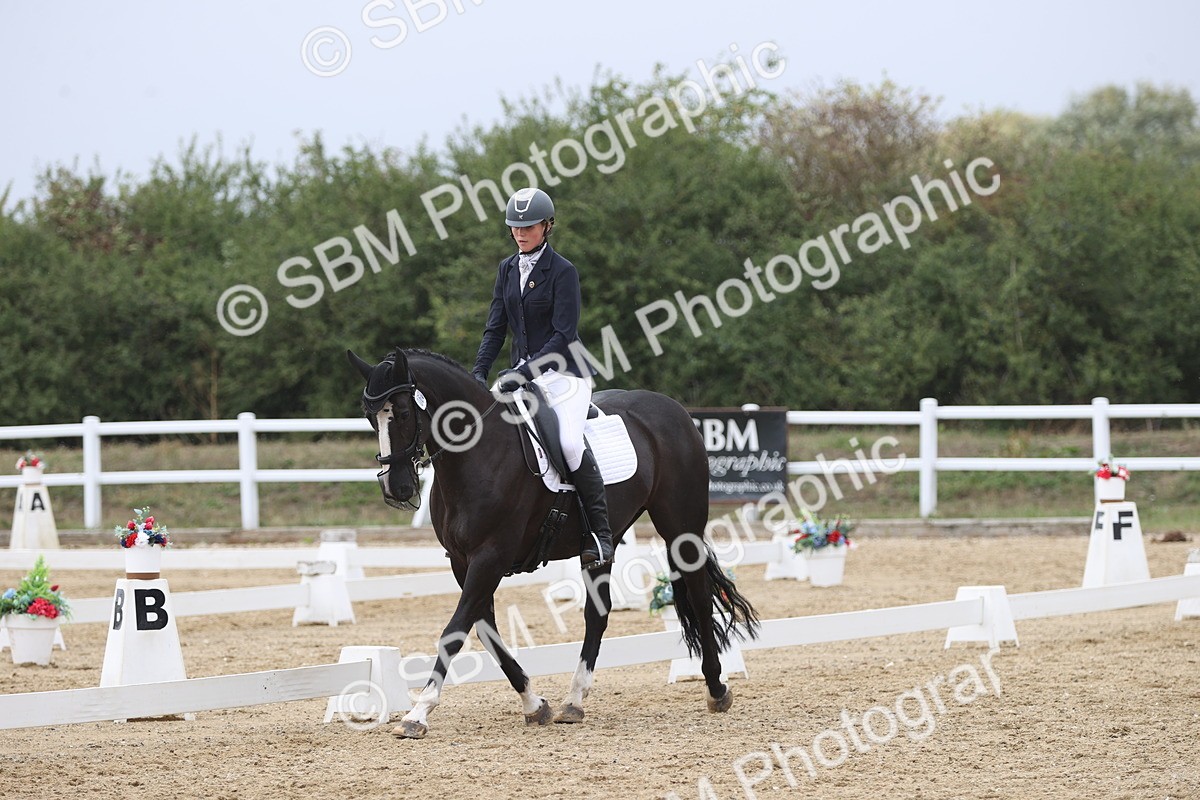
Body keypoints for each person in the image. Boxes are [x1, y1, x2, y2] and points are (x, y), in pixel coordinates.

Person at [471, 187, 614, 569]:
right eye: (515, 227)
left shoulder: (563, 271)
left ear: (547, 226)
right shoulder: (506, 269)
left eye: (529, 227)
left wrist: (522, 372)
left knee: (569, 443)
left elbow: (563, 335)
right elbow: (494, 329)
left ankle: (600, 534)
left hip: (564, 373)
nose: (520, 233)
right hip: (520, 376)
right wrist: (478, 372)